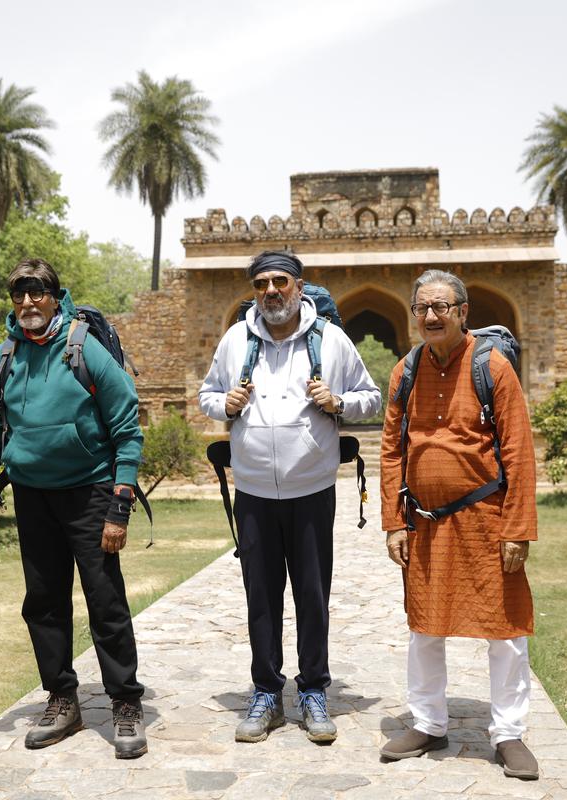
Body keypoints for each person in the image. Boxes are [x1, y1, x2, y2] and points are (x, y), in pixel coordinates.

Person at [198, 250, 381, 744]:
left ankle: (314, 689)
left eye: (280, 281)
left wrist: (338, 401)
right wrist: (224, 403)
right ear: (253, 291)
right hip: (254, 488)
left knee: (312, 596)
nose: (271, 291)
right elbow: (207, 394)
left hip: (311, 489)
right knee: (261, 596)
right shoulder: (237, 340)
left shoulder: (331, 340)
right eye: (261, 284)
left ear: (299, 286)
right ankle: (265, 692)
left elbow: (372, 396)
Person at [0, 258, 147, 759]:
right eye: (19, 293)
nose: (28, 302)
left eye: (38, 292)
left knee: (105, 601)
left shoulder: (82, 347)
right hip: (32, 496)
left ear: (55, 296)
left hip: (89, 492)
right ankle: (62, 699)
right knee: (43, 602)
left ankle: (126, 704)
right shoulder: (2, 360)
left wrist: (120, 505)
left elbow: (126, 425)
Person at [378, 269, 540, 780]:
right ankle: (428, 721)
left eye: (440, 307)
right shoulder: (405, 370)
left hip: (487, 519)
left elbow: (518, 452)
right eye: (421, 308)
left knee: (506, 629)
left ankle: (508, 733)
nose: (430, 316)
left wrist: (518, 528)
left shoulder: (491, 367)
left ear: (462, 313)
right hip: (425, 522)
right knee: (424, 626)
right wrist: (394, 521)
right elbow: (391, 450)